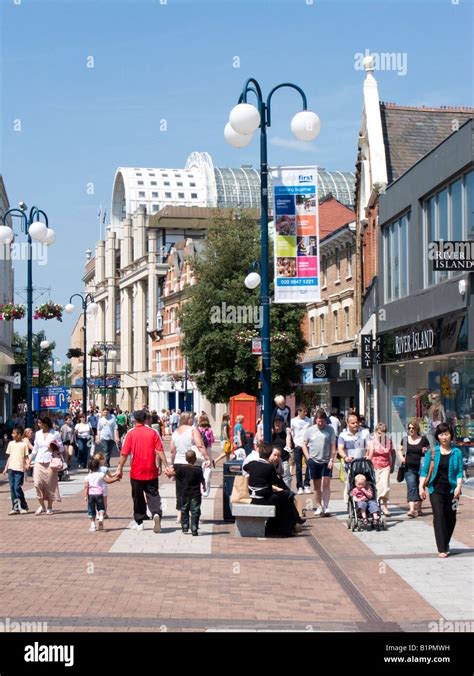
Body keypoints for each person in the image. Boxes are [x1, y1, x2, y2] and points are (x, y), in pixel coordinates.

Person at [115, 409, 172, 532]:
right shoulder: (153, 432)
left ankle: (139, 522)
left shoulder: (130, 433)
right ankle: (156, 513)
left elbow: (124, 453)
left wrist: (119, 467)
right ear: (146, 419)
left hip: (136, 470)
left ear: (134, 420)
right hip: (151, 469)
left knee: (137, 496)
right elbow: (160, 450)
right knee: (153, 494)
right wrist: (166, 465)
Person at [419, 423, 463, 558]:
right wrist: (421, 486)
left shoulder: (457, 452)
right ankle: (442, 548)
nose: (444, 437)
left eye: (447, 434)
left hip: (453, 491)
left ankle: (446, 541)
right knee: (439, 515)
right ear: (438, 436)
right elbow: (425, 470)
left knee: (452, 517)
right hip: (435, 489)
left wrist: (458, 487)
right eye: (441, 434)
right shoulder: (433, 452)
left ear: (451, 435)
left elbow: (460, 472)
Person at [244, 443, 299, 537]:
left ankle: (275, 527)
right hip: (263, 498)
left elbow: (245, 468)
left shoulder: (252, 463)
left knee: (284, 499)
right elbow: (275, 481)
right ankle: (287, 528)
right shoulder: (269, 467)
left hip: (253, 497)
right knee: (288, 497)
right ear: (269, 455)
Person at [170, 412, 210, 525]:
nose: (193, 420)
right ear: (188, 419)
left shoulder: (175, 432)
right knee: (193, 489)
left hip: (178, 463)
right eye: (192, 418)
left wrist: (173, 464)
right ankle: (193, 514)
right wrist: (207, 458)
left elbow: (172, 450)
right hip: (191, 463)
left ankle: (179, 516)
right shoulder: (193, 430)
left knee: (180, 490)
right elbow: (200, 445)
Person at [302, 409, 337, 516]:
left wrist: (331, 459)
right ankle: (319, 506)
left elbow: (333, 446)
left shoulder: (330, 430)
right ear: (315, 420)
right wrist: (308, 457)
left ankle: (326, 506)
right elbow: (304, 444)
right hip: (314, 460)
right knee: (316, 486)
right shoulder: (310, 430)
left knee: (326, 484)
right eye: (318, 421)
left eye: (322, 421)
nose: (321, 424)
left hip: (326, 460)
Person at [29, 417, 63, 515]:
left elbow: (61, 448)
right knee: (37, 483)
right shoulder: (38, 434)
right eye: (38, 422)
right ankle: (42, 506)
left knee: (50, 485)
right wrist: (29, 460)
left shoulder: (55, 434)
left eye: (40, 423)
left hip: (50, 461)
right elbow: (35, 449)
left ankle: (49, 506)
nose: (38, 424)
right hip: (39, 461)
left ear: (46, 423)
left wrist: (53, 447)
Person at [397, 420, 430, 518]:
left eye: (413, 428)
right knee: (411, 487)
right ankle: (412, 509)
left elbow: (429, 451)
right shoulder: (405, 439)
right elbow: (400, 450)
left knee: (420, 486)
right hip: (409, 467)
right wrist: (402, 458)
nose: (411, 430)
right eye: (409, 428)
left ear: (417, 429)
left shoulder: (423, 439)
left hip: (421, 467)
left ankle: (419, 508)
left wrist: (426, 450)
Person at [337, 412, 371, 504]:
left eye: (357, 422)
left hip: (363, 464)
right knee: (349, 484)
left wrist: (369, 455)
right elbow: (340, 448)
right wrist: (345, 457)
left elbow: (370, 446)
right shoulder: (343, 435)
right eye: (353, 423)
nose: (355, 424)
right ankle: (350, 504)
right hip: (349, 464)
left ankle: (365, 502)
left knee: (364, 483)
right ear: (348, 423)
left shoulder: (365, 432)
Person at [172, 450, 206, 535]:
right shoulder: (198, 470)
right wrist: (204, 487)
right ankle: (194, 528)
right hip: (196, 493)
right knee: (195, 510)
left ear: (186, 459)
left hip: (185, 492)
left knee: (184, 509)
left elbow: (177, 477)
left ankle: (185, 526)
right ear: (195, 459)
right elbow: (202, 480)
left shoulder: (181, 469)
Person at [84, 457, 120, 532]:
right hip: (99, 494)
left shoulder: (87, 477)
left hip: (91, 495)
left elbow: (86, 487)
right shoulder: (100, 474)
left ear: (89, 467)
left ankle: (93, 525)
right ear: (98, 466)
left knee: (91, 509)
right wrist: (116, 479)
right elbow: (108, 481)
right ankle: (100, 518)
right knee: (101, 507)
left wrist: (85, 496)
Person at [367, 422, 395, 517]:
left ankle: (385, 506)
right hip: (374, 466)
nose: (381, 435)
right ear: (375, 432)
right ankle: (377, 505)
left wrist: (393, 464)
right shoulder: (372, 441)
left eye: (383, 432)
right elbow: (368, 454)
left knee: (385, 486)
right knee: (376, 487)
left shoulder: (388, 441)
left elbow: (393, 453)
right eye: (379, 433)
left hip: (385, 466)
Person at [2, 425, 30, 514]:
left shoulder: (24, 444)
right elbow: (9, 457)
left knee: (17, 488)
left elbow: (26, 457)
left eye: (14, 433)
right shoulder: (11, 444)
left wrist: (28, 464)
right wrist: (6, 468)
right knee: (12, 488)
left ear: (19, 434)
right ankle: (15, 507)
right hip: (11, 469)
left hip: (19, 469)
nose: (12, 435)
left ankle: (23, 505)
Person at [290, 406, 312, 494]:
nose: (305, 413)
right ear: (298, 411)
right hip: (298, 445)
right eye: (303, 412)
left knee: (309, 464)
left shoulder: (309, 420)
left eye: (306, 412)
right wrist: (293, 443)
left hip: (307, 445)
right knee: (298, 467)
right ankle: (299, 486)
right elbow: (291, 433)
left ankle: (307, 484)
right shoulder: (293, 421)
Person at [271, 416, 292, 488]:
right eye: (275, 421)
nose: (277, 423)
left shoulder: (285, 434)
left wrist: (288, 434)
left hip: (283, 460)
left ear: (283, 423)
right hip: (273, 461)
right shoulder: (271, 434)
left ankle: (287, 495)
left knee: (286, 478)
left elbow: (289, 446)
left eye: (279, 421)